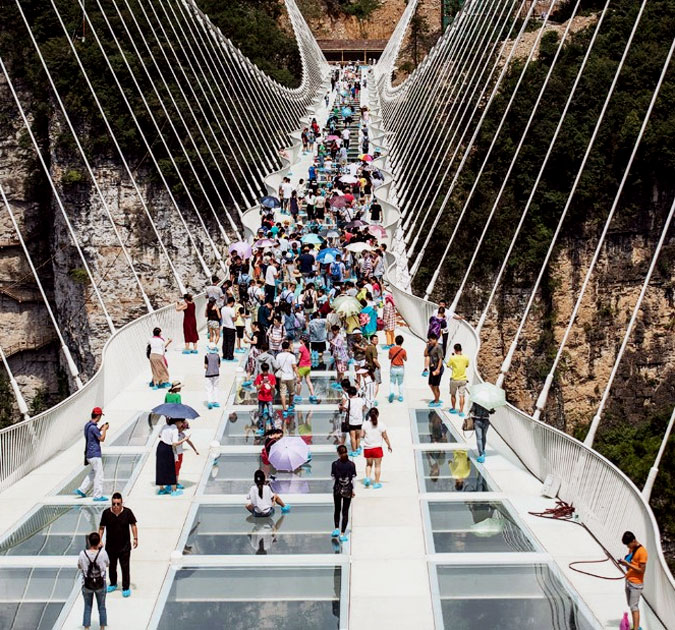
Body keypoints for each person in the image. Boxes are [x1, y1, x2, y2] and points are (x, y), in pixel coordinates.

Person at [98, 493, 137, 598]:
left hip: (124, 546)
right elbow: (102, 527)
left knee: (125, 567)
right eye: (114, 504)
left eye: (118, 504)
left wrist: (135, 538)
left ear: (121, 503)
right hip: (111, 547)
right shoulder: (106, 513)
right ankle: (113, 583)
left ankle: (125, 587)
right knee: (112, 567)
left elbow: (133, 525)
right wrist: (99, 540)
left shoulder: (127, 512)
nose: (116, 506)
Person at [75, 408, 109, 502]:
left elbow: (93, 434)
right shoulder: (93, 427)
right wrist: (105, 430)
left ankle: (82, 489)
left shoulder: (88, 425)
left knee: (93, 473)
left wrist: (100, 429)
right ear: (98, 416)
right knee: (99, 475)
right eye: (100, 416)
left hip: (89, 454)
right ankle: (97, 496)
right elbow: (101, 439)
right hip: (95, 454)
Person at [78, 531, 109, 630]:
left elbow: (79, 566)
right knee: (102, 607)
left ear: (89, 542)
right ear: (99, 541)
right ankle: (102, 627)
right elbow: (107, 564)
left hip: (87, 584)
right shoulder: (103, 553)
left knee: (87, 607)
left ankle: (86, 628)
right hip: (100, 583)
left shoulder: (82, 554)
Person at [619, 531, 647, 630]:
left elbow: (641, 570)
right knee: (631, 605)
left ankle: (636, 628)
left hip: (636, 583)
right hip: (628, 580)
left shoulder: (642, 552)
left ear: (634, 541)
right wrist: (625, 563)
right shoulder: (632, 549)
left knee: (634, 606)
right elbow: (631, 562)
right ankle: (636, 626)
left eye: (628, 544)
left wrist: (628, 565)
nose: (627, 547)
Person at [361, 408, 392, 489]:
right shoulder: (381, 425)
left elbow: (362, 435)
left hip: (367, 448)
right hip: (377, 448)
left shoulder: (365, 424)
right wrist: (389, 445)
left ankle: (367, 478)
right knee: (377, 466)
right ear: (378, 415)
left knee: (368, 464)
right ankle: (376, 483)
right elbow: (385, 437)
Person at [331, 445, 356, 543]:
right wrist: (353, 490)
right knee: (345, 512)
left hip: (337, 489)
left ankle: (336, 528)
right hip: (348, 489)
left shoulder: (335, 464)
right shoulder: (351, 464)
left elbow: (333, 477)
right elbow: (353, 479)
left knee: (337, 509)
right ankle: (342, 533)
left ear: (338, 453)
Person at [156, 419, 188, 496]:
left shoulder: (164, 426)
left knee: (161, 468)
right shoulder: (174, 429)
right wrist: (185, 439)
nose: (182, 424)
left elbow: (159, 435)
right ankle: (174, 490)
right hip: (168, 448)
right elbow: (175, 443)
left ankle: (161, 489)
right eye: (181, 422)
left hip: (160, 446)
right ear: (177, 422)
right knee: (171, 469)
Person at [275, 340, 299, 416]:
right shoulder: (292, 356)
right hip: (290, 376)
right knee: (291, 393)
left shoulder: (278, 355)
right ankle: (290, 405)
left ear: (282, 348)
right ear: (288, 347)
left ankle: (284, 409)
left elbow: (277, 366)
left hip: (282, 376)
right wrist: (298, 375)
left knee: (282, 393)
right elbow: (294, 367)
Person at [447, 343, 470, 417]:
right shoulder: (466, 357)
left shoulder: (452, 358)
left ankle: (453, 408)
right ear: (461, 349)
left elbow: (448, 365)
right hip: (463, 379)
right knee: (462, 396)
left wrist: (453, 357)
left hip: (454, 379)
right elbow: (467, 365)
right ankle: (461, 411)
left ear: (455, 349)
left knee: (453, 395)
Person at [254, 362, 276, 435]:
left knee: (270, 413)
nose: (265, 373)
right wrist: (262, 383)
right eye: (264, 371)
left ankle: (273, 427)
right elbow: (257, 388)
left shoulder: (272, 377)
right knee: (260, 413)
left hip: (269, 398)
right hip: (261, 398)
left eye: (266, 371)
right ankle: (261, 427)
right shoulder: (259, 377)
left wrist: (269, 383)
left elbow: (273, 388)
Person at [296, 336, 319, 404]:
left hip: (302, 366)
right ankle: (312, 395)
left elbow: (299, 357)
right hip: (308, 366)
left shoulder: (301, 347)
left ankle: (298, 396)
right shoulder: (308, 347)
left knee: (298, 381)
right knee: (308, 381)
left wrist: (296, 364)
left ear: (302, 340)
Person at [344, 386, 365, 456]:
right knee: (358, 437)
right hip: (359, 421)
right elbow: (363, 408)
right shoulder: (361, 400)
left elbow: (345, 409)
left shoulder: (349, 401)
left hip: (352, 422)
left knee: (352, 437)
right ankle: (358, 448)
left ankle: (354, 451)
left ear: (349, 394)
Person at [425, 333, 444, 407]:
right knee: (430, 384)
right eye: (429, 340)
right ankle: (436, 398)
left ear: (435, 340)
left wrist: (438, 369)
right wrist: (427, 346)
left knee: (435, 385)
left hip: (437, 368)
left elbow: (440, 359)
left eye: (431, 340)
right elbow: (425, 354)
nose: (430, 341)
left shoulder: (438, 347)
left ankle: (437, 400)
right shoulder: (430, 346)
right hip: (432, 368)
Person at [388, 335, 407, 403]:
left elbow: (389, 357)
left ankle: (392, 392)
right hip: (400, 368)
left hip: (393, 367)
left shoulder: (391, 349)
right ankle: (401, 396)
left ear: (395, 341)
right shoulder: (403, 350)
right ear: (402, 342)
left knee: (392, 381)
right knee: (400, 382)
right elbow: (405, 359)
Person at [204, 342, 221, 409]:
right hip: (216, 373)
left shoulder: (207, 356)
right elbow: (219, 365)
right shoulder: (217, 356)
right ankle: (216, 401)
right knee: (216, 387)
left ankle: (210, 401)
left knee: (209, 388)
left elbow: (206, 366)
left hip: (208, 374)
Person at [221, 296, 237, 361]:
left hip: (224, 326)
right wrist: (237, 316)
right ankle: (230, 355)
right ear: (232, 302)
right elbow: (234, 319)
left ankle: (225, 354)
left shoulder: (223, 309)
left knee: (225, 342)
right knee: (231, 342)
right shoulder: (231, 310)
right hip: (231, 327)